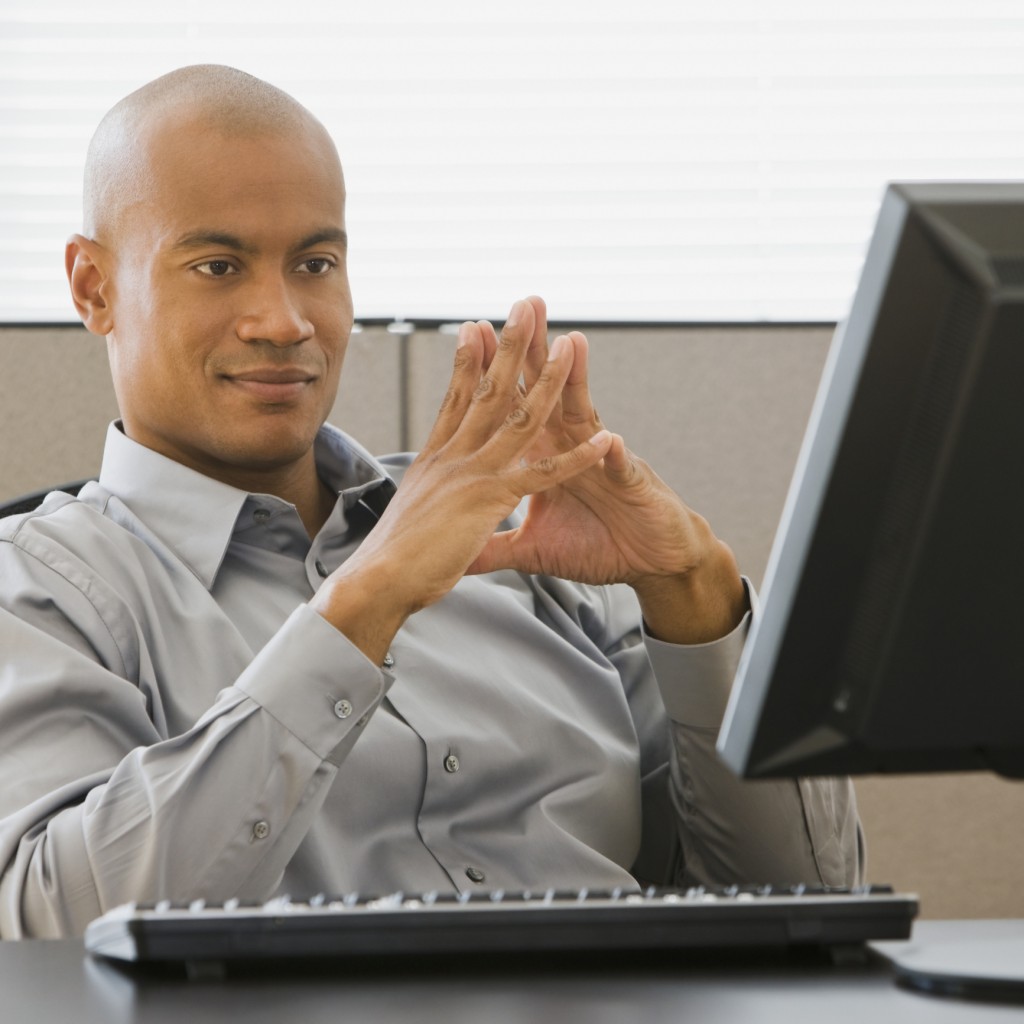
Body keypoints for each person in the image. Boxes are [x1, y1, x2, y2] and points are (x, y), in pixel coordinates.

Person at [0, 65, 862, 939]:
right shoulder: (37, 593)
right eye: (218, 266)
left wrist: (694, 595)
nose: (284, 319)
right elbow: (53, 928)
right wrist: (363, 606)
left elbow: (811, 901)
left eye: (316, 263)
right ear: (93, 287)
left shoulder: (514, 532)